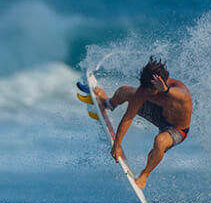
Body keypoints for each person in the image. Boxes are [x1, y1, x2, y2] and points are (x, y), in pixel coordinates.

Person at [78, 57, 192, 189]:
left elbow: (179, 94)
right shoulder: (145, 89)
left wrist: (165, 90)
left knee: (160, 142)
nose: (146, 92)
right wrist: (117, 144)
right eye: (146, 88)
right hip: (158, 114)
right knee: (125, 91)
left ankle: (145, 174)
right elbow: (129, 116)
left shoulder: (179, 91)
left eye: (150, 89)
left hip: (177, 129)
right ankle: (107, 103)